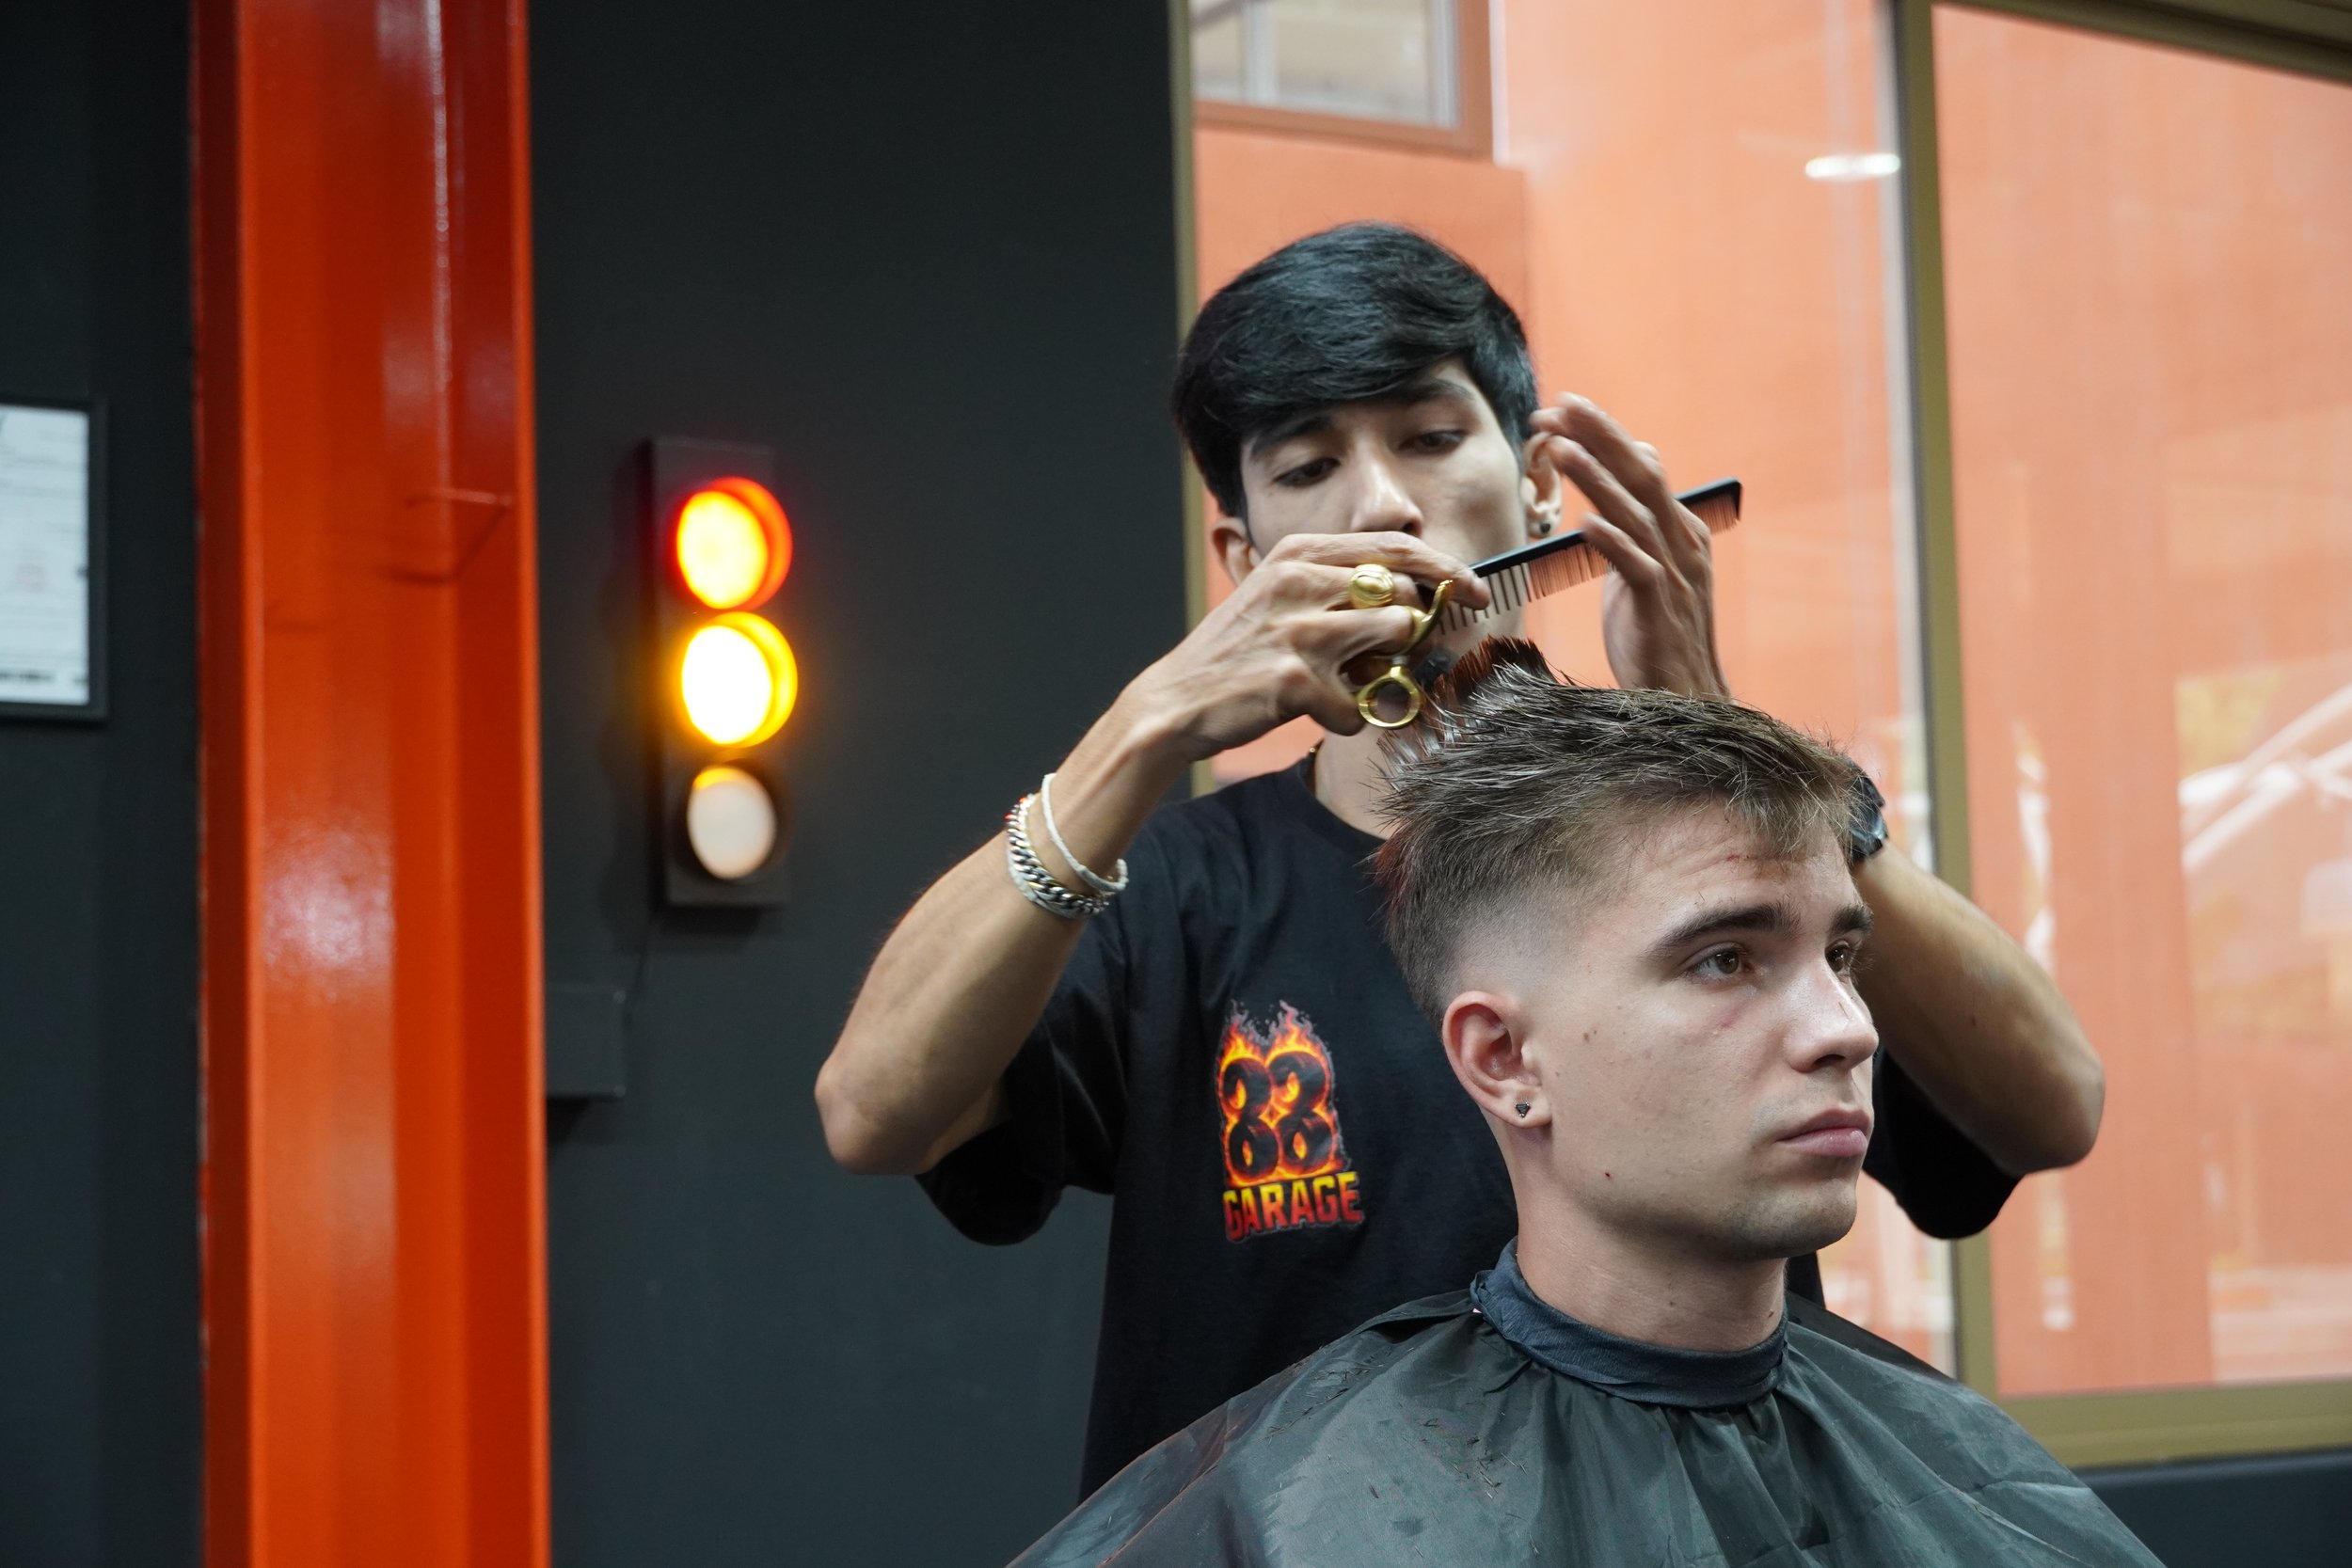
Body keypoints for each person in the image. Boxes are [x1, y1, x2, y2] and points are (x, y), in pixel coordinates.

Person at [814, 223, 2105, 1495]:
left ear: (1538, 488)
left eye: (1432, 439)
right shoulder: (1178, 885)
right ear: (1243, 554)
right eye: (1309, 465)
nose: (1383, 503)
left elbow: (2050, 1104)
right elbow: (872, 1112)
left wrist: (1730, 750)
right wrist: (1141, 730)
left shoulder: (1722, 856)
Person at [1006, 646, 2160, 1567]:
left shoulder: (1965, 1477)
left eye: (1840, 955)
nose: (1847, 1029)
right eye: (1723, 959)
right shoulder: (1294, 1515)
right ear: (1504, 1055)